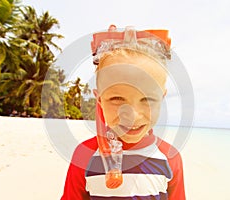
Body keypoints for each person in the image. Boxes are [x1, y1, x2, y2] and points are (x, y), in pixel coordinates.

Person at [61, 25, 186, 200]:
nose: (133, 115)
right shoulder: (84, 155)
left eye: (148, 100)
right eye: (117, 99)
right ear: (99, 100)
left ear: (162, 97)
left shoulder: (169, 158)